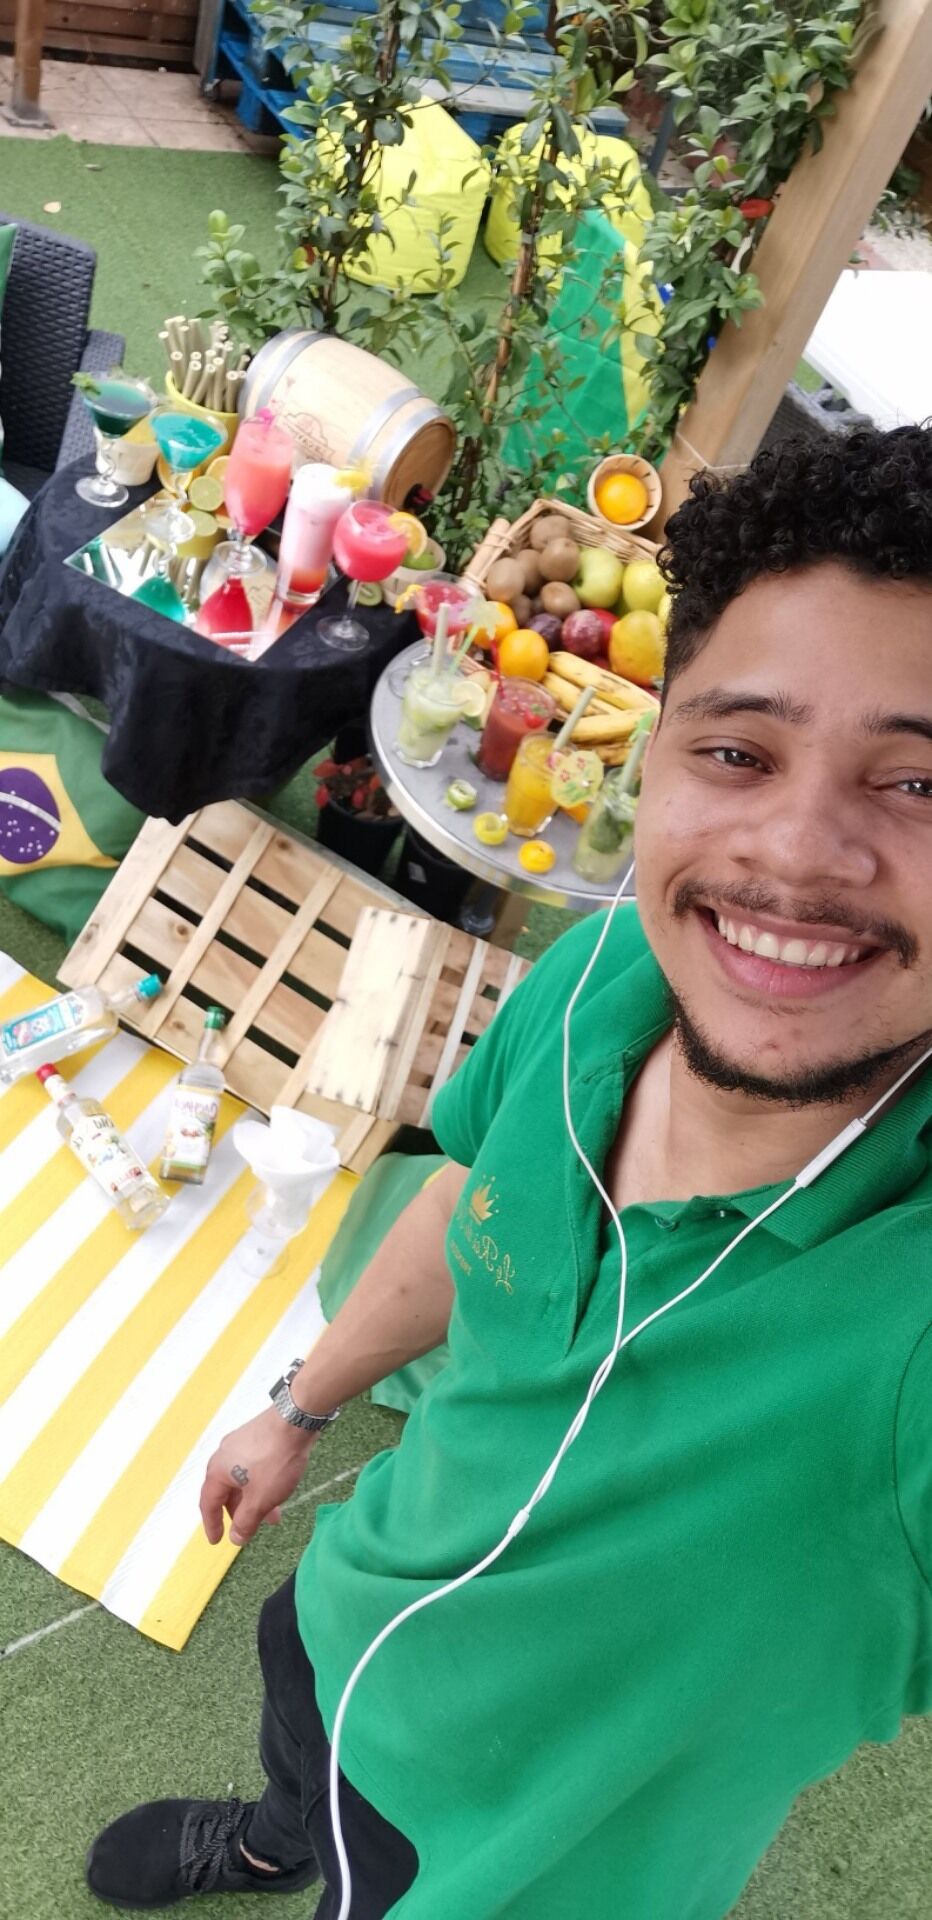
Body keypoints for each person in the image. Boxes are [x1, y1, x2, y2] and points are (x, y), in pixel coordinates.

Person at [87, 423, 932, 1920]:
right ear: (655, 759)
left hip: (501, 1863)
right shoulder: (599, 979)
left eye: (920, 785)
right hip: (357, 1603)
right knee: (294, 1688)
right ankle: (276, 1837)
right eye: (739, 752)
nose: (801, 851)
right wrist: (299, 1408)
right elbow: (469, 1202)